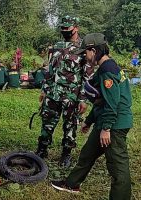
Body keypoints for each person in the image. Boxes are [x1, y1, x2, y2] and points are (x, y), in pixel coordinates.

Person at [51, 33, 133, 200]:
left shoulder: (108, 70)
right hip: (104, 121)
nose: (84, 57)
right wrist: (89, 121)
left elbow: (112, 103)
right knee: (87, 154)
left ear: (94, 50)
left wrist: (106, 128)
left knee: (118, 168)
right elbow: (100, 100)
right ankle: (72, 183)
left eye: (85, 53)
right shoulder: (104, 68)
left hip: (114, 125)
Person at [36, 15, 94, 167]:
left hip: (71, 97)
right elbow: (50, 70)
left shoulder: (83, 48)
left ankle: (66, 154)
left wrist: (83, 99)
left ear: (76, 28)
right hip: (52, 94)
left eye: (67, 28)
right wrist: (44, 90)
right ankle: (42, 150)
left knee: (70, 126)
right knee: (47, 123)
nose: (64, 30)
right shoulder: (58, 46)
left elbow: (87, 76)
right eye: (62, 28)